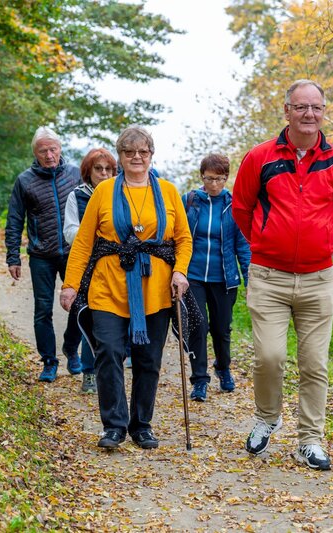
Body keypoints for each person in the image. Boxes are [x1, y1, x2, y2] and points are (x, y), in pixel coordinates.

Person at [232, 79, 333, 471]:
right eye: (301, 107)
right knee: (270, 356)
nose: (309, 114)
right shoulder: (260, 157)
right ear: (286, 110)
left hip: (318, 279)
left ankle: (310, 440)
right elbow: (240, 207)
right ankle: (267, 417)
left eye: (316, 108)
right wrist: (268, 243)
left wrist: (320, 245)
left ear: (324, 112)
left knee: (314, 363)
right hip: (268, 277)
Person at [60, 126, 192, 450]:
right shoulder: (104, 192)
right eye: (129, 152)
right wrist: (70, 285)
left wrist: (180, 272)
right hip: (108, 287)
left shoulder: (169, 192)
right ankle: (114, 425)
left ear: (151, 155)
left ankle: (141, 425)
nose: (137, 157)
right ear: (120, 156)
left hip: (157, 290)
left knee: (149, 361)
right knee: (108, 352)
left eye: (143, 152)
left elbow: (184, 239)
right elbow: (83, 244)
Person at [5, 126, 82, 383]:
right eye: (43, 151)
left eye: (53, 149)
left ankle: (71, 349)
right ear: (35, 153)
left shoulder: (75, 174)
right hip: (41, 255)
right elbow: (15, 219)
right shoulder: (24, 180)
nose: (49, 155)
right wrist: (12, 257)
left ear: (60, 149)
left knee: (81, 305)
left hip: (74, 252)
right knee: (42, 310)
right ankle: (49, 361)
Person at [182, 154, 251, 402]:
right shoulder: (189, 202)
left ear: (226, 178)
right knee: (198, 327)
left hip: (224, 278)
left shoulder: (234, 206)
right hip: (194, 277)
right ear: (202, 177)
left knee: (222, 329)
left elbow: (243, 246)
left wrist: (250, 279)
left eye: (220, 179)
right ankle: (199, 380)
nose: (214, 184)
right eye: (210, 179)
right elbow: (178, 238)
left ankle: (223, 368)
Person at [63, 148, 117, 394]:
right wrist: (94, 234)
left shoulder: (121, 193)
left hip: (117, 265)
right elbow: (70, 231)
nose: (103, 173)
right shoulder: (77, 197)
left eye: (108, 169)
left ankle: (112, 367)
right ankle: (89, 372)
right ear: (88, 171)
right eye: (98, 169)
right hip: (88, 265)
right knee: (90, 316)